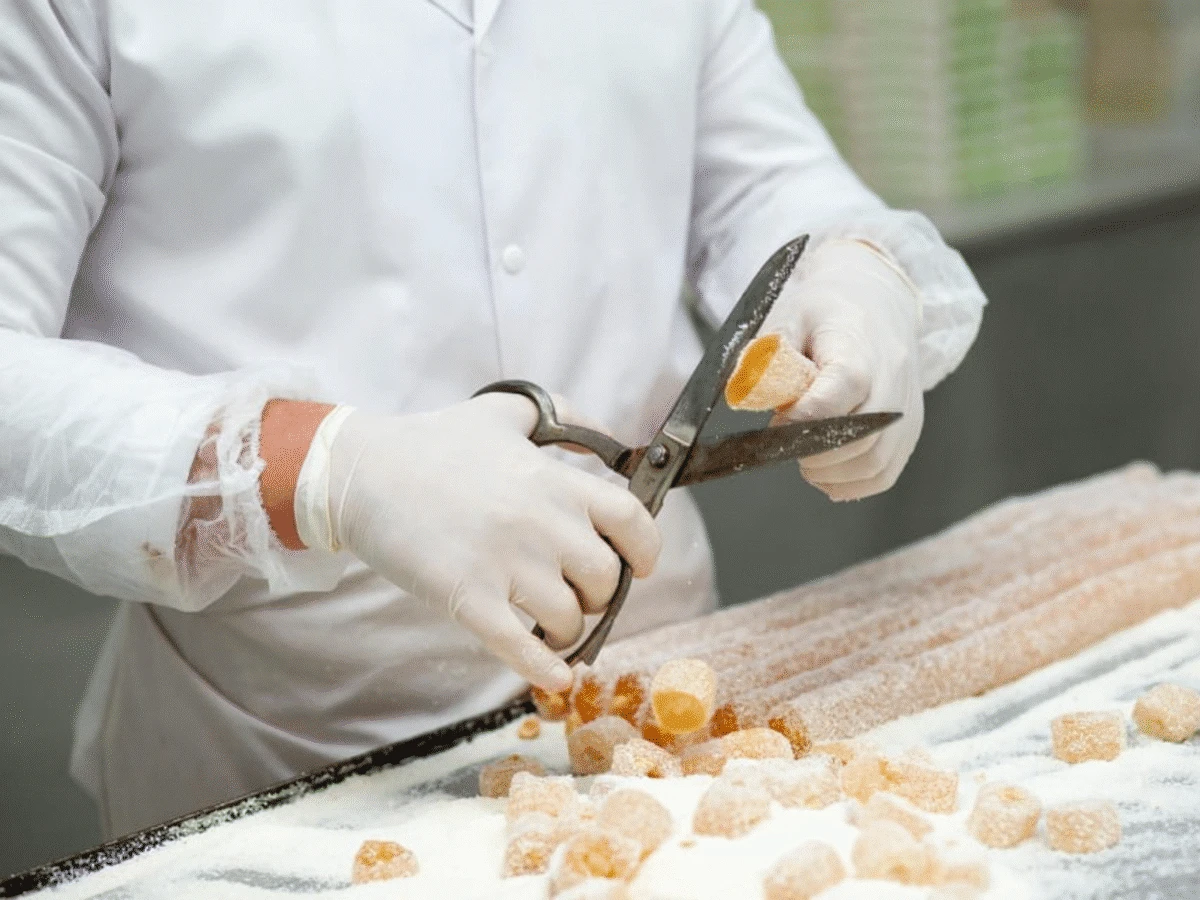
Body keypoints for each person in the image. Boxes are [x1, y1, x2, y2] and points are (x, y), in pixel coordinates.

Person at [0, 0, 985, 838]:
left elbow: (766, 180)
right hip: (278, 767)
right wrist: (329, 469)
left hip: (664, 721)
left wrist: (856, 273)